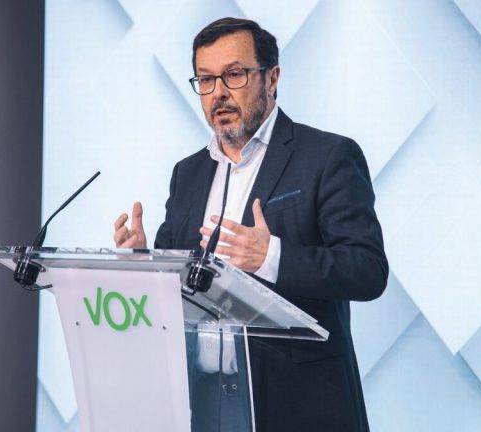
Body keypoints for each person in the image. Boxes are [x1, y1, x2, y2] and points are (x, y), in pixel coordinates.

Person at [113, 17, 388, 432]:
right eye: (205, 80)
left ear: (272, 78)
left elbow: (367, 271)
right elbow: (178, 281)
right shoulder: (187, 173)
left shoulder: (327, 156)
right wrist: (143, 262)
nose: (218, 92)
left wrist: (271, 256)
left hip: (299, 407)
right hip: (202, 404)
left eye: (234, 74)